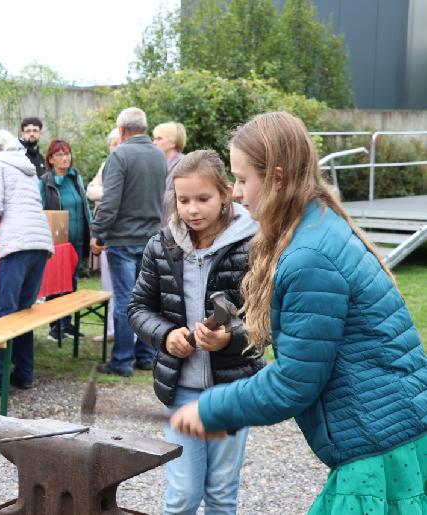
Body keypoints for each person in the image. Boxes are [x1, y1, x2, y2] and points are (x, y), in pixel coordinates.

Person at [170, 112, 427, 514]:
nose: (236, 192)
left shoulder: (309, 257)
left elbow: (295, 381)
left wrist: (211, 408)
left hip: (381, 451)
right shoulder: (317, 226)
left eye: (241, 179)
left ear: (275, 177)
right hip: (393, 434)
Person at [128, 150, 264, 514]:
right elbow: (138, 308)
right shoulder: (161, 245)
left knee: (221, 491)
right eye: (183, 200)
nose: (192, 209)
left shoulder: (254, 246)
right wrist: (165, 335)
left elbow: (267, 319)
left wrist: (230, 338)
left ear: (225, 193)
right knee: (183, 494)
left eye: (202, 199)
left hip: (231, 390)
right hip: (180, 390)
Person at [0, 130, 54, 395]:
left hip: (17, 243)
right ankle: (24, 373)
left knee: (6, 312)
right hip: (40, 241)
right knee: (24, 311)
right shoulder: (27, 167)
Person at [90, 107, 167, 377]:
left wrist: (97, 232)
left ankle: (122, 361)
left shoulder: (119, 155)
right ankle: (145, 355)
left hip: (122, 239)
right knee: (145, 300)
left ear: (122, 130)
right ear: (144, 128)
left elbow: (109, 203)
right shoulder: (159, 157)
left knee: (125, 301)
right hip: (150, 238)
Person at [39, 139, 92, 341]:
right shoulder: (45, 181)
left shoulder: (75, 177)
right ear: (51, 159)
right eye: (60, 154)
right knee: (56, 283)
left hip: (77, 240)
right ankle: (55, 326)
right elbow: (41, 211)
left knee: (72, 280)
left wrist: (93, 229)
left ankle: (67, 324)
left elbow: (85, 205)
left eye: (67, 153)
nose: (65, 158)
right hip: (58, 243)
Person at [86, 128, 120, 342]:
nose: (115, 147)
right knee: (107, 285)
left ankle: (124, 333)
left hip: (116, 233)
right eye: (112, 144)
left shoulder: (123, 164)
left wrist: (101, 192)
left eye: (119, 143)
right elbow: (90, 190)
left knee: (125, 288)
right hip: (105, 233)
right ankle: (111, 330)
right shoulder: (107, 163)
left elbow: (106, 195)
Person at [153, 122, 187, 227]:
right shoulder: (156, 163)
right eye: (154, 138)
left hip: (175, 226)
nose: (154, 142)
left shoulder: (184, 163)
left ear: (173, 142)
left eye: (159, 139)